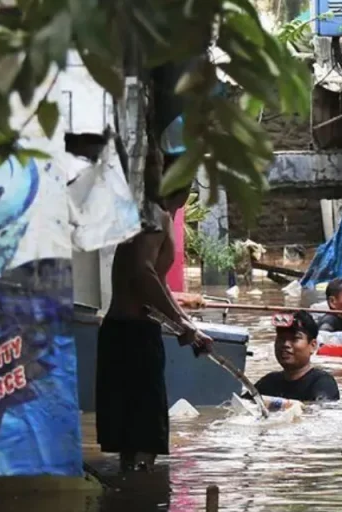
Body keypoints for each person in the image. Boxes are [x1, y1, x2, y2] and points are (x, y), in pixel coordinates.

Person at [96, 182, 214, 473]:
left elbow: (155, 279)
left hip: (125, 331)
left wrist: (186, 323)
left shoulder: (150, 214)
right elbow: (142, 272)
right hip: (133, 336)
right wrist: (181, 323)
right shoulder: (156, 215)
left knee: (131, 444)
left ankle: (131, 497)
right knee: (144, 441)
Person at [253, 311, 340, 402]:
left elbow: (319, 412)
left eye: (295, 338)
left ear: (313, 346)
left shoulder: (323, 383)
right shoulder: (269, 382)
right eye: (281, 338)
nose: (285, 344)